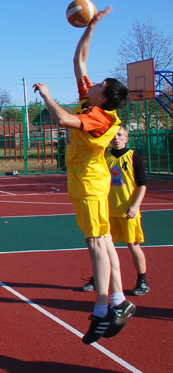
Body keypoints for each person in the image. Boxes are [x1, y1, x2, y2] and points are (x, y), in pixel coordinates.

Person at [33, 5, 132, 345]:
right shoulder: (94, 104)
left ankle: (102, 309)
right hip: (88, 180)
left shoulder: (97, 118)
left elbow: (62, 119)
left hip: (90, 184)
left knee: (95, 244)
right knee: (104, 241)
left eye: (99, 84)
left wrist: (47, 95)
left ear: (102, 96)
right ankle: (118, 298)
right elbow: (80, 60)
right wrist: (92, 26)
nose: (94, 82)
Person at [80, 126, 150, 296]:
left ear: (126, 138)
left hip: (127, 210)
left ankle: (142, 281)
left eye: (120, 135)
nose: (116, 138)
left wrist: (135, 205)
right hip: (106, 210)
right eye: (113, 135)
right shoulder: (104, 156)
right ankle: (98, 278)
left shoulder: (133, 156)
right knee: (101, 246)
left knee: (133, 246)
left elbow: (142, 184)